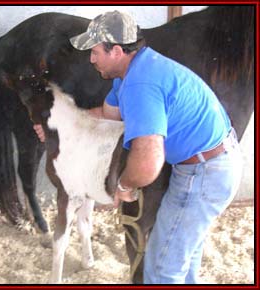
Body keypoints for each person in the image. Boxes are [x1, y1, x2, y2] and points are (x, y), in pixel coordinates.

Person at [33, 10, 243, 284]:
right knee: (182, 258)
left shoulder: (140, 85)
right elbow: (107, 113)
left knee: (161, 267)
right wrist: (56, 125)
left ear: (117, 50)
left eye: (95, 51)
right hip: (207, 165)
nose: (91, 59)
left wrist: (122, 187)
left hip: (205, 174)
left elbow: (148, 162)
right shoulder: (136, 70)